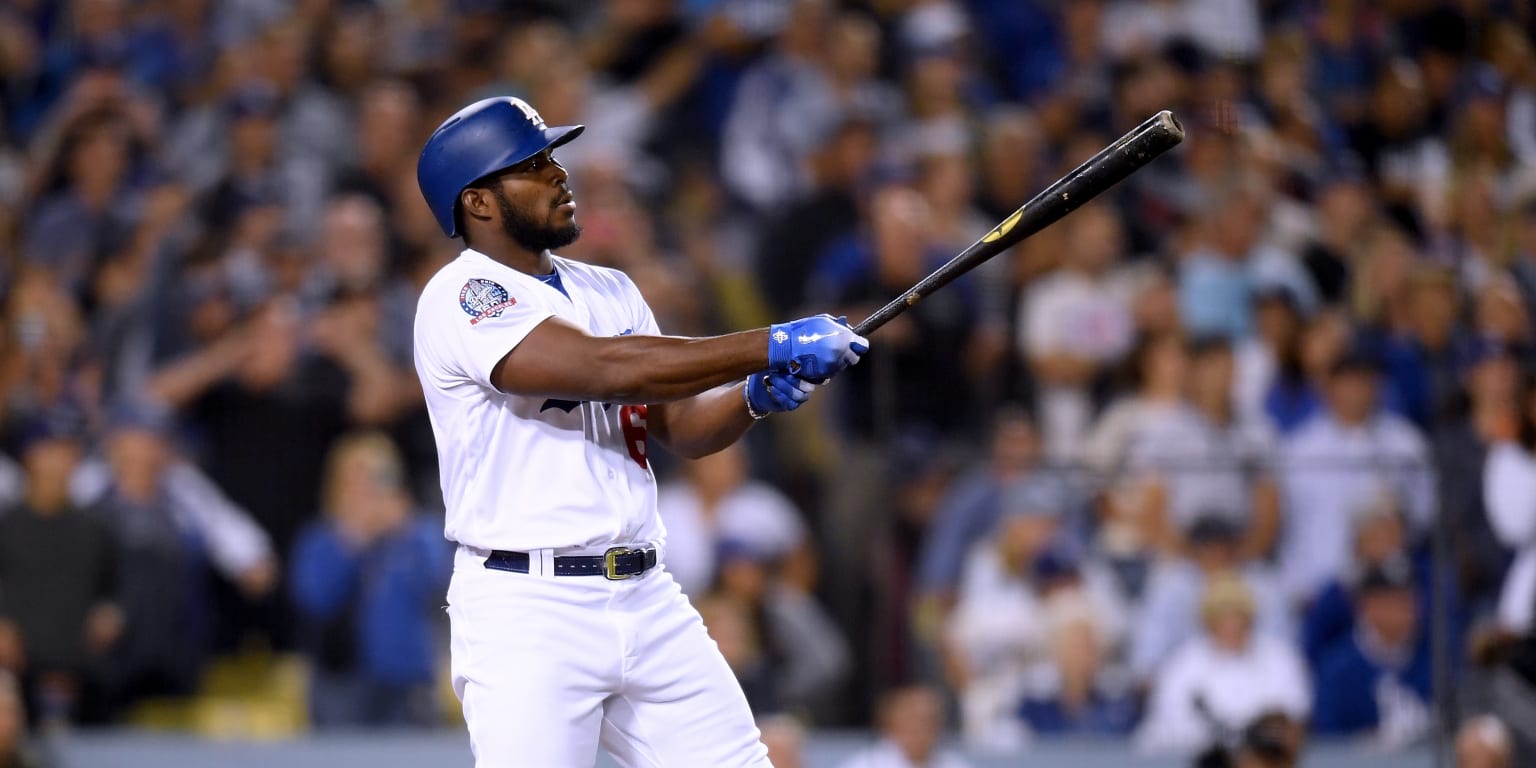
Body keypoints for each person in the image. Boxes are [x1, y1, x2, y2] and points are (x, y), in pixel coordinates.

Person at [411, 97, 868, 766]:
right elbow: (605, 368)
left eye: (553, 158)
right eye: (532, 165)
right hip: (529, 608)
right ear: (478, 203)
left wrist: (751, 399)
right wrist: (770, 342)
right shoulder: (463, 295)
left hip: (647, 593)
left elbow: (679, 425)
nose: (559, 174)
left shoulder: (608, 289)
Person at [289, 432, 452, 728]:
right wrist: (353, 538)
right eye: (356, 481)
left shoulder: (417, 533)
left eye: (375, 480)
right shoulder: (321, 539)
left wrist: (406, 528)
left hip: (407, 677)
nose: (366, 492)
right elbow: (314, 600)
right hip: (341, 681)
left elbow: (439, 581)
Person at [836, 685, 973, 768]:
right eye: (910, 722)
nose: (919, 731)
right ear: (891, 727)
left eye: (927, 722)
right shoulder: (865, 764)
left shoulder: (954, 765)